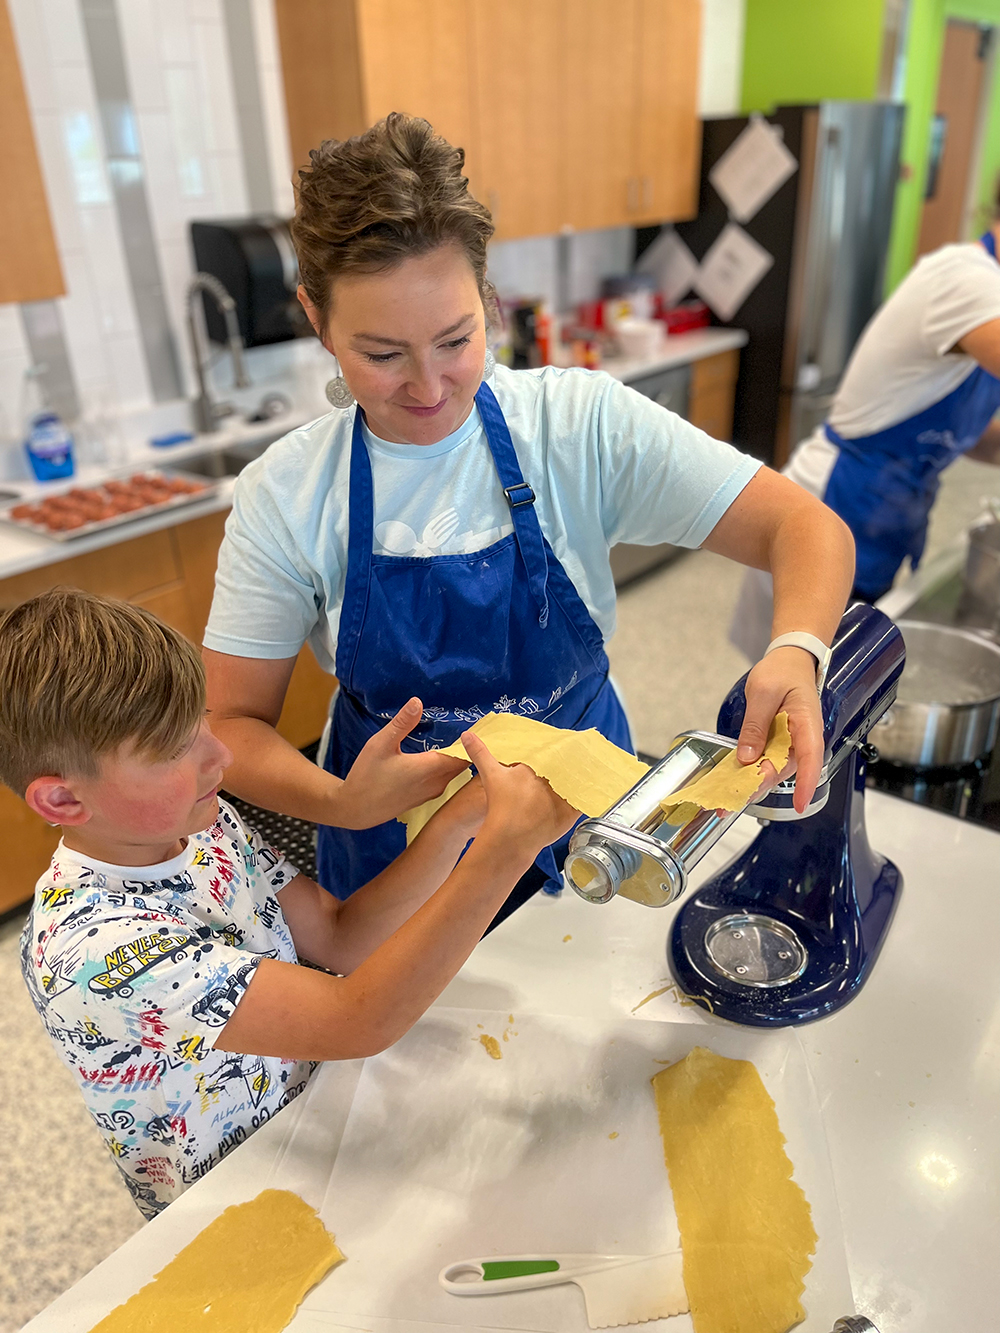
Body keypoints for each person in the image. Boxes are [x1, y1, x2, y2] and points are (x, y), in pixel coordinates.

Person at [202, 112, 854, 910]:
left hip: (582, 828)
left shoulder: (578, 424)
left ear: (486, 294)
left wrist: (795, 648)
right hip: (394, 850)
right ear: (316, 317)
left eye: (455, 338)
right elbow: (229, 724)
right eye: (381, 354)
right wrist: (342, 803)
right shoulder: (287, 491)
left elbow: (806, 527)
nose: (430, 385)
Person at [2, 588, 576, 1216]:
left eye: (200, 722)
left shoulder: (201, 825)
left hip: (312, 1128)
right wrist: (505, 852)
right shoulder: (94, 954)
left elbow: (338, 935)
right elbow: (355, 1021)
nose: (219, 754)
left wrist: (459, 823)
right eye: (172, 750)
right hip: (234, 1206)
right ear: (62, 802)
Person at [732, 208, 1000, 663]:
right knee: (795, 691)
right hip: (837, 502)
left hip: (886, 513)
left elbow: (968, 434)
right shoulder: (969, 282)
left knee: (833, 690)